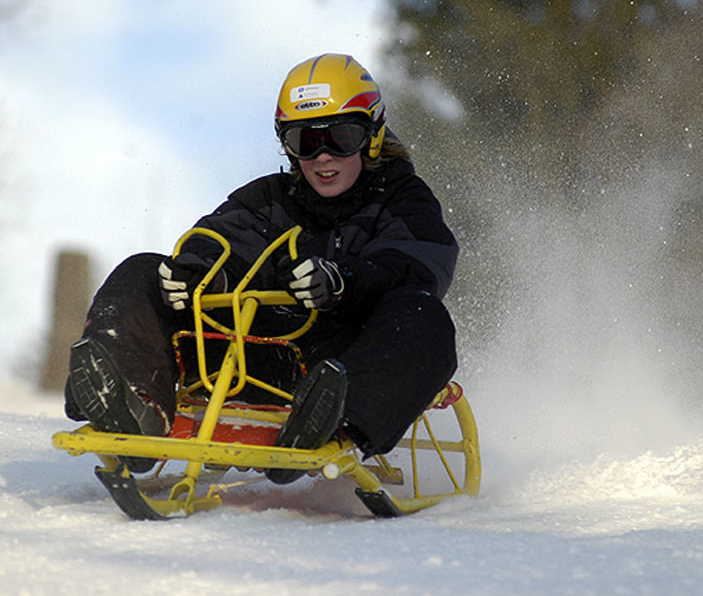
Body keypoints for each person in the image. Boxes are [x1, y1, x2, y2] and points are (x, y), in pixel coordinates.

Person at [63, 53, 459, 483]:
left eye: (341, 138)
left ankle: (330, 423)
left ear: (372, 135)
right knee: (143, 271)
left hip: (337, 364)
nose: (323, 157)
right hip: (243, 362)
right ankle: (132, 405)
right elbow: (215, 242)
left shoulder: (402, 200)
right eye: (305, 142)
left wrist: (342, 280)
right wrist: (192, 276)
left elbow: (417, 264)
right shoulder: (269, 199)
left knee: (423, 315)